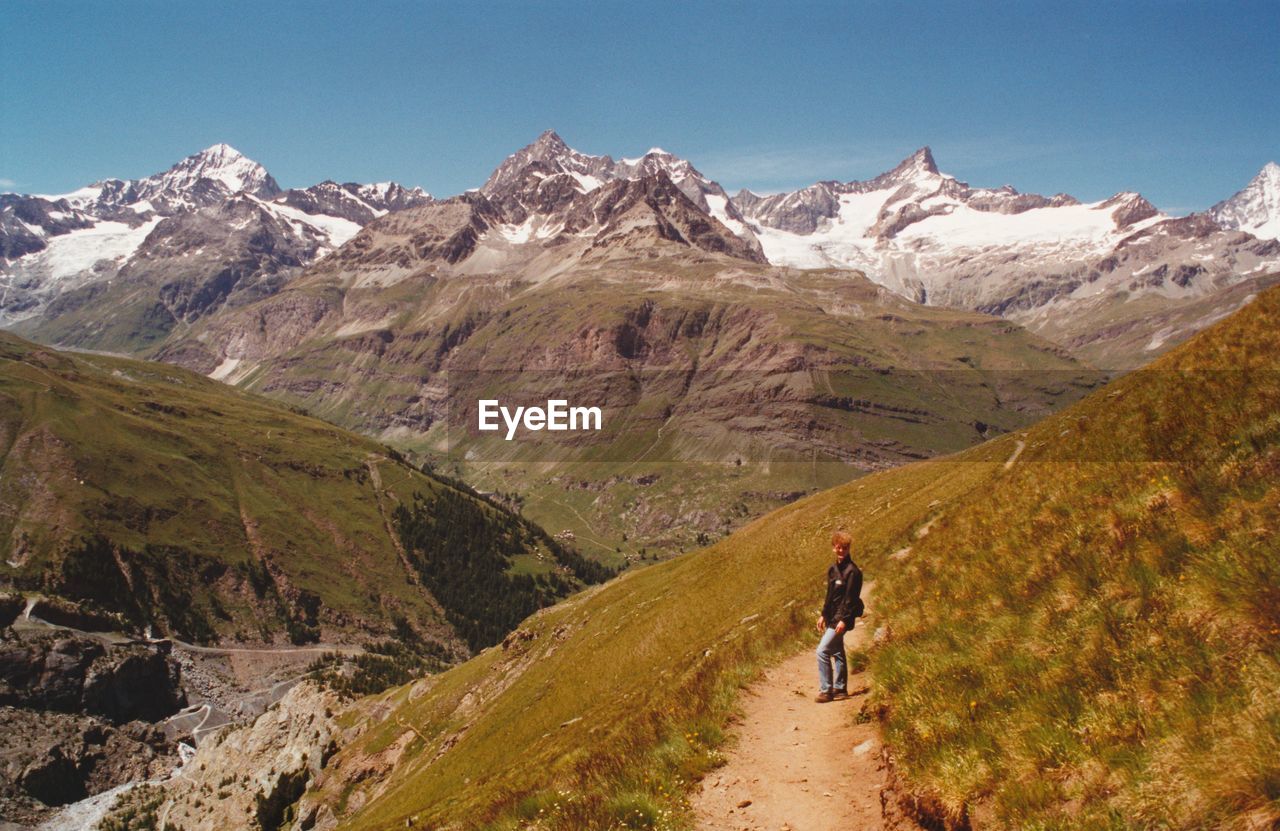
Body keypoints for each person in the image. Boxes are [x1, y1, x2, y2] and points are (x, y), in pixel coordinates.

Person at [815, 530, 862, 703]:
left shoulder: (853, 572)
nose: (841, 550)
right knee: (838, 651)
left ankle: (826, 690)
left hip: (842, 618)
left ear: (849, 548)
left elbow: (851, 599)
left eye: (845, 547)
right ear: (834, 548)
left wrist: (843, 620)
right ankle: (840, 689)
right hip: (832, 616)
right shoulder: (832, 570)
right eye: (838, 547)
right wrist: (823, 615)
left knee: (821, 651)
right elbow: (829, 595)